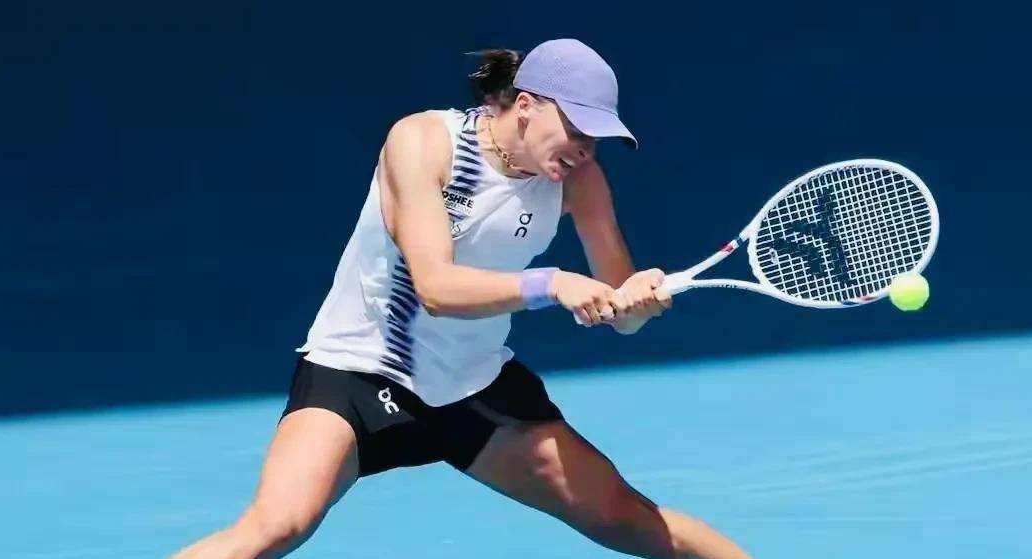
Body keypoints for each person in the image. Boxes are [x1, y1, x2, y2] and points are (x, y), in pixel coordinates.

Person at [172, 38, 752, 559]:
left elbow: (620, 310)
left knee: (626, 517)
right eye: (576, 130)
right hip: (357, 372)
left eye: (595, 139)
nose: (583, 149)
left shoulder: (582, 182)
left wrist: (636, 301)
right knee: (277, 526)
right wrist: (553, 282)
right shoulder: (424, 141)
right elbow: (436, 287)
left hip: (473, 388)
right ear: (526, 104)